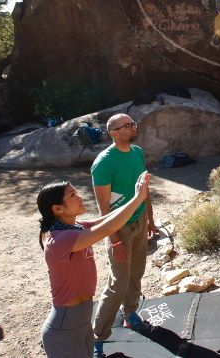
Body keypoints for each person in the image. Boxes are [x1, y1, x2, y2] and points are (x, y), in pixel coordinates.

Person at [38, 173, 149, 358]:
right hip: (64, 330)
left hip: (82, 323)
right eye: (73, 195)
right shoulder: (60, 240)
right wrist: (138, 198)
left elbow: (105, 220)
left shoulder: (75, 227)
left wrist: (136, 198)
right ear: (58, 208)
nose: (80, 197)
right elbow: (108, 228)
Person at [91, 114, 156, 356]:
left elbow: (144, 188)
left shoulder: (137, 152)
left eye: (133, 124)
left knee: (136, 272)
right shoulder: (104, 163)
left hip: (139, 221)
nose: (133, 127)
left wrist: (149, 218)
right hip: (119, 228)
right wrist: (114, 239)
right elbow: (104, 209)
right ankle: (98, 337)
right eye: (127, 126)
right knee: (118, 282)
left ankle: (130, 313)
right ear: (114, 133)